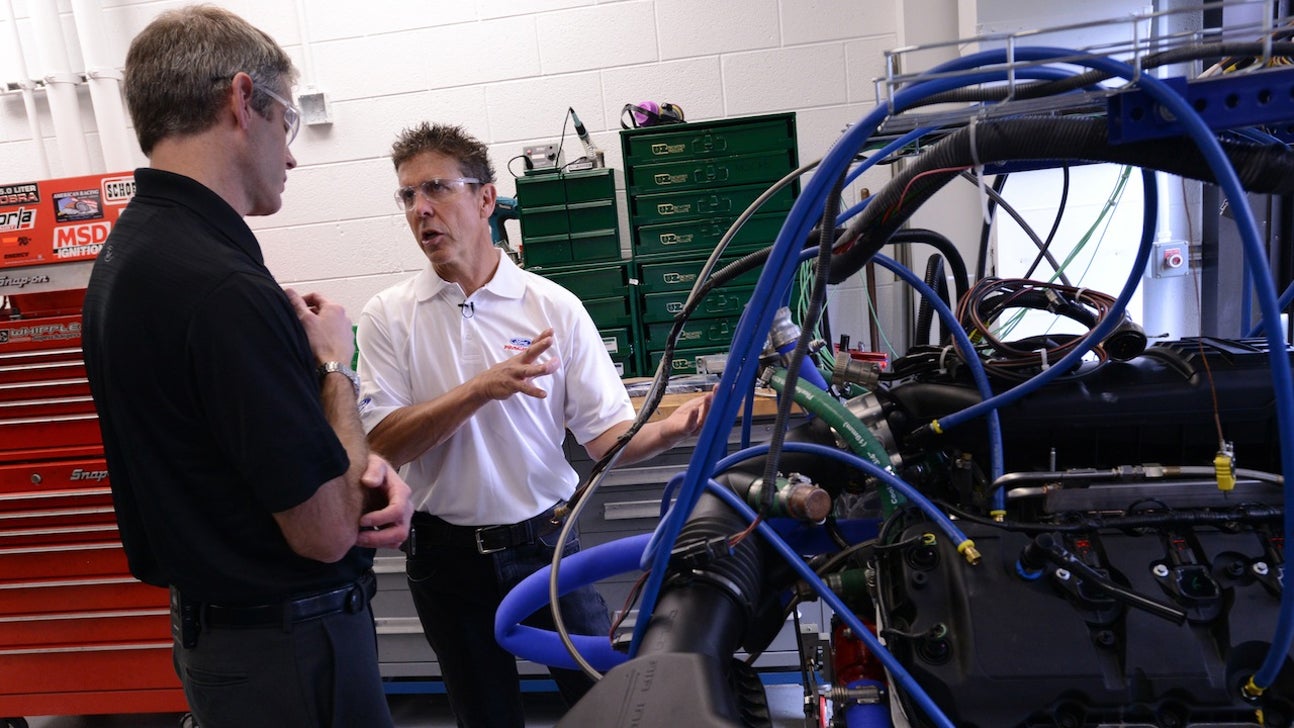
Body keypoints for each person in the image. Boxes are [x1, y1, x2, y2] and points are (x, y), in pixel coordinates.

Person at [80, 6, 413, 727]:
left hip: (225, 636)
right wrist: (335, 367)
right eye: (286, 121)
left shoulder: (130, 255)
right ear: (240, 100)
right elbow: (324, 531)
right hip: (290, 651)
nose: (291, 155)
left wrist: (351, 466)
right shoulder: (220, 287)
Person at [356, 122, 714, 727]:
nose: (421, 210)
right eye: (408, 196)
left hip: (548, 547)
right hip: (446, 558)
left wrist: (673, 431)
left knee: (609, 700)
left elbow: (606, 440)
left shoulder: (552, 306)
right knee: (485, 715)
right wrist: (479, 390)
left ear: (486, 199)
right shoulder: (390, 316)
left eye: (437, 189)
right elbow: (384, 443)